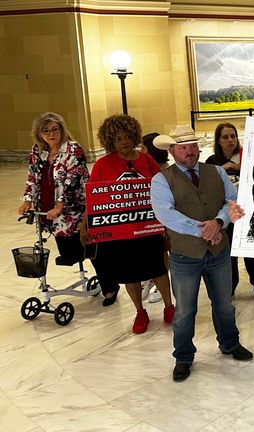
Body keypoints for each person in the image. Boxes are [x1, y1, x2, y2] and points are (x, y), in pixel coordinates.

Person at [150, 125, 253, 382]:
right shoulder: (162, 180)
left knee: (224, 305)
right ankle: (183, 356)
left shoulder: (216, 171)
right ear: (172, 150)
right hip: (185, 256)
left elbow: (232, 201)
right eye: (183, 147)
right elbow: (166, 214)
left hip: (219, 252)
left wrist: (218, 223)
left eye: (193, 146)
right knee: (184, 310)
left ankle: (230, 343)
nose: (190, 152)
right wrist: (202, 231)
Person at [85, 115, 175, 333]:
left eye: (127, 137)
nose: (124, 142)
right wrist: (86, 225)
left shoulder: (146, 160)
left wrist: (167, 224)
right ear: (110, 141)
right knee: (128, 274)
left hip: (149, 227)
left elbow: (163, 190)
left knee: (159, 269)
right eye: (117, 139)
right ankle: (140, 311)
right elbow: (94, 198)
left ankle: (169, 306)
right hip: (119, 232)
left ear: (134, 135)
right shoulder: (102, 165)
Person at [18, 113, 121, 302]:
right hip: (50, 211)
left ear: (62, 130)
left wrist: (60, 204)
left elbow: (72, 180)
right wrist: (27, 201)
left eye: (55, 129)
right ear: (39, 133)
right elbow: (32, 177)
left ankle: (110, 286)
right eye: (46, 130)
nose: (51, 134)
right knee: (71, 254)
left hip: (77, 209)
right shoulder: (37, 150)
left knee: (92, 249)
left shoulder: (74, 150)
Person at [206, 123, 254, 302]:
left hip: (248, 212)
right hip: (226, 214)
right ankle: (231, 287)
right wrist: (227, 167)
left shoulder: (247, 156)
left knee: (251, 250)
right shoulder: (212, 162)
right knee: (230, 253)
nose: (230, 140)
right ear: (218, 140)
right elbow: (208, 183)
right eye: (225, 137)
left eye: (233, 136)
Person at [140, 132, 169, 305]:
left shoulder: (165, 170)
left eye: (143, 147)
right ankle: (150, 278)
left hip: (163, 217)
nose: (140, 151)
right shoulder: (143, 167)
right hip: (147, 218)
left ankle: (161, 280)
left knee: (162, 250)